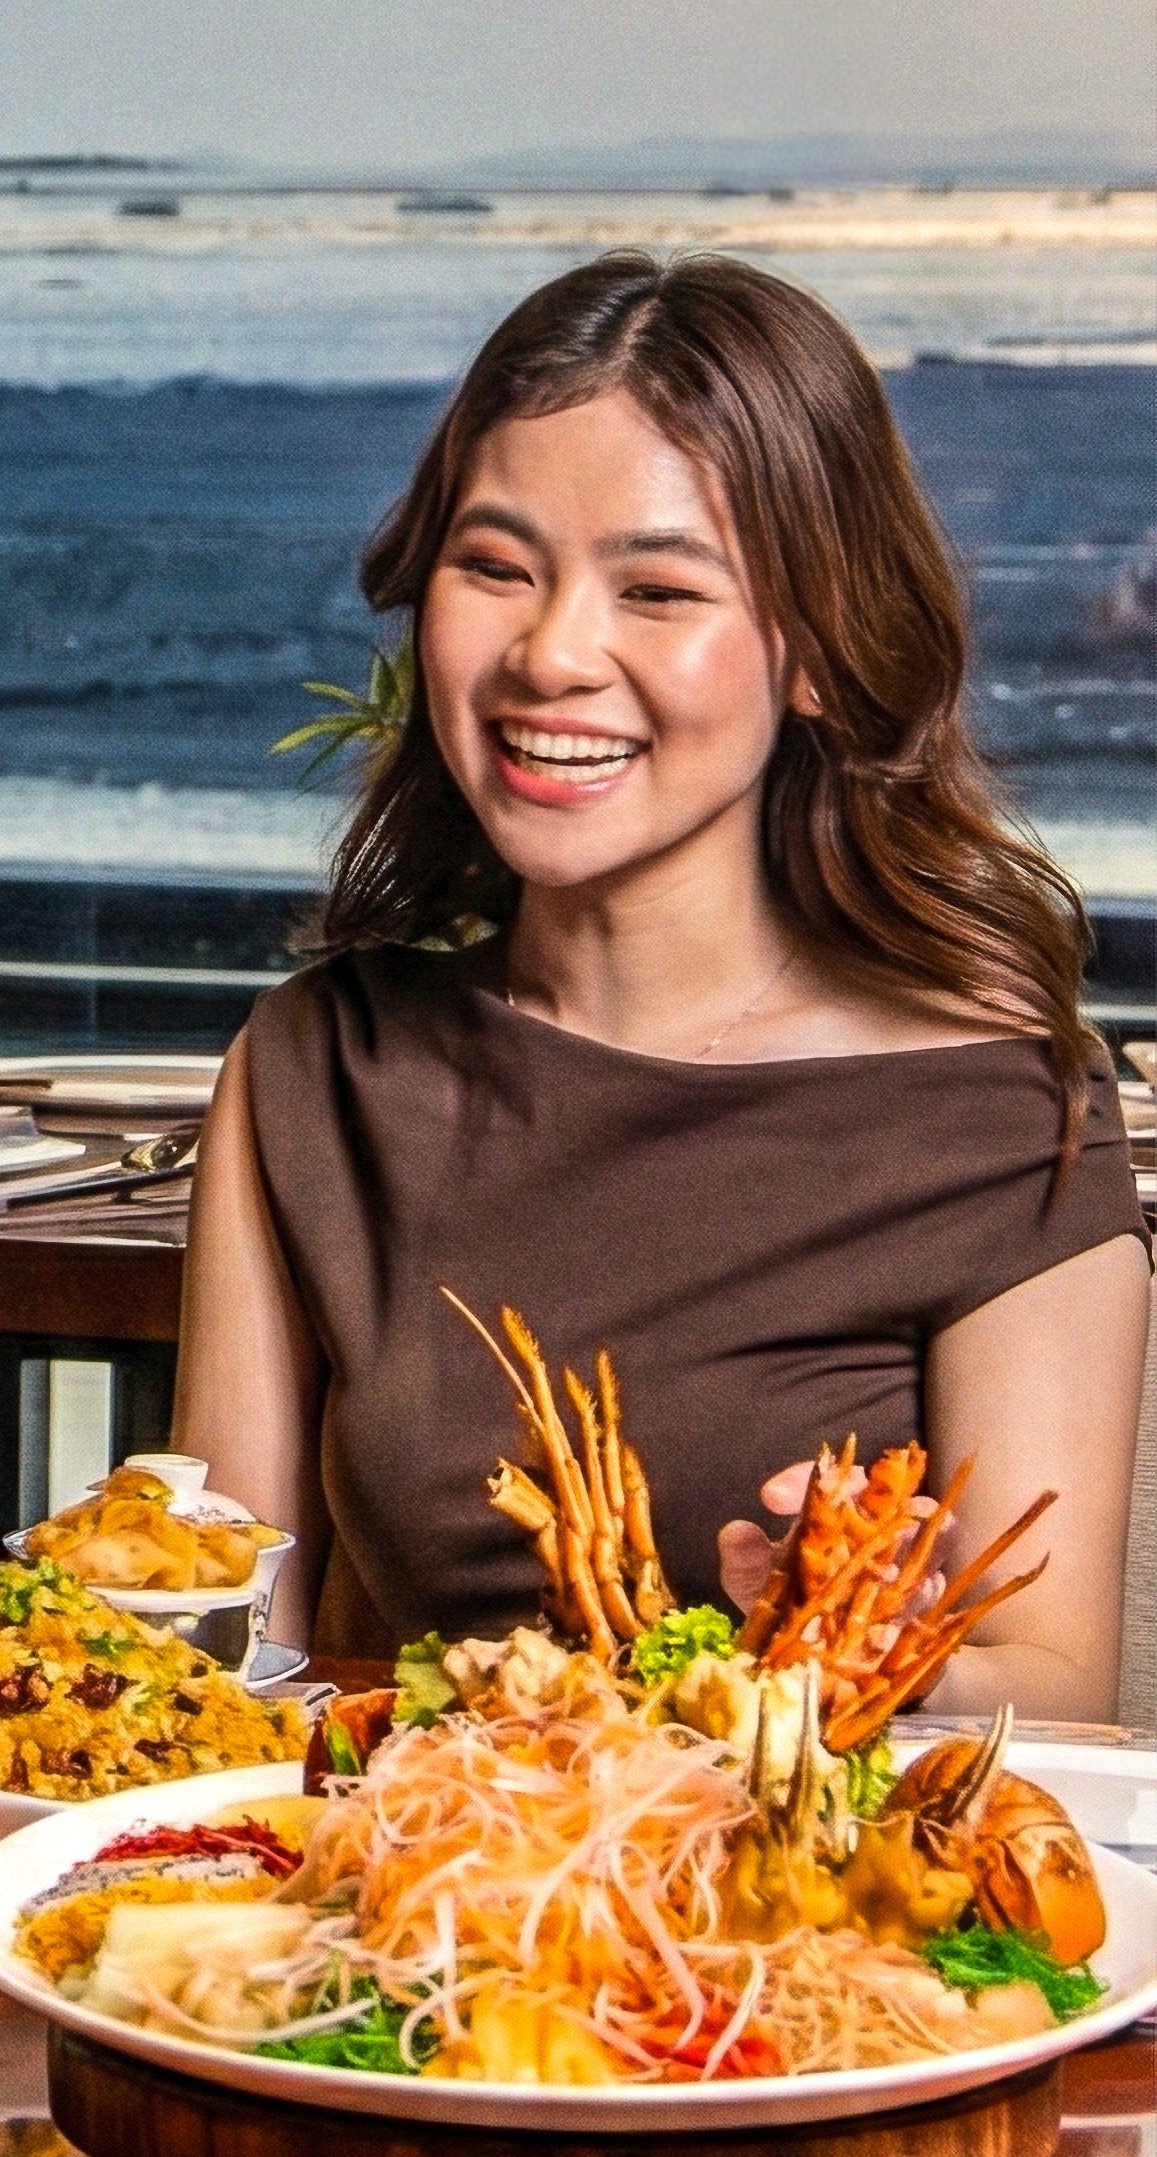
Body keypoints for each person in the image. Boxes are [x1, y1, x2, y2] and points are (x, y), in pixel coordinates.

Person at [176, 250, 1147, 1718]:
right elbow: (234, 1648)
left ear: (814, 652)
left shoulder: (997, 1110)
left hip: (789, 1917)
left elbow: (1056, 1691)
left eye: (658, 588)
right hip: (401, 1909)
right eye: (495, 566)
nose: (553, 652)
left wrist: (818, 1654)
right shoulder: (321, 1066)